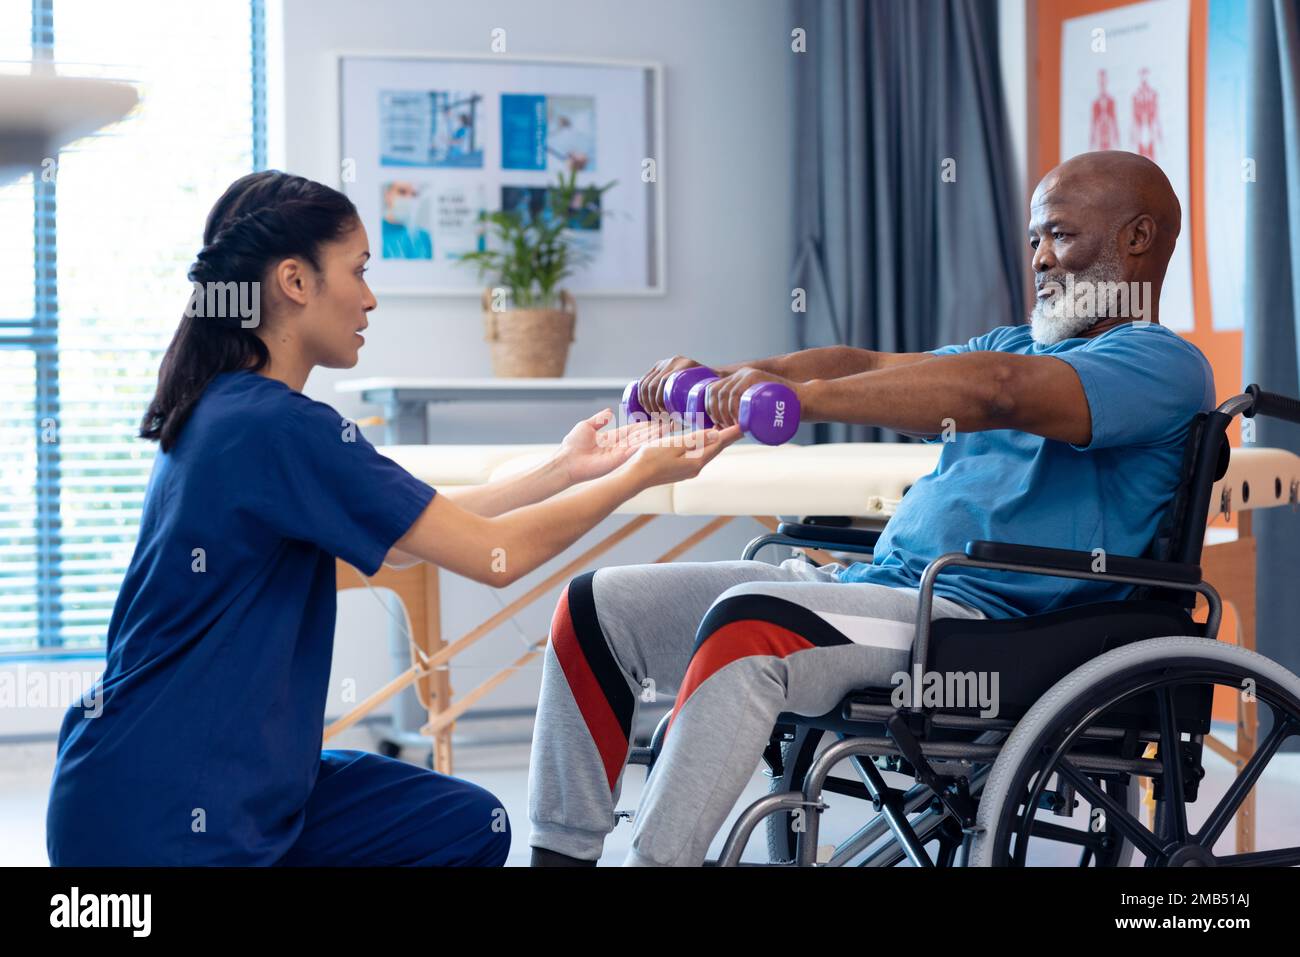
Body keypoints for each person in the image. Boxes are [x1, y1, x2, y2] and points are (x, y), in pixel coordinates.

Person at [526, 149, 1217, 867]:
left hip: (984, 628)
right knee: (595, 608)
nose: (1039, 259)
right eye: (1034, 240)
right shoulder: (1007, 343)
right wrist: (735, 377)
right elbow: (870, 366)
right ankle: (560, 855)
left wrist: (803, 403)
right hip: (880, 591)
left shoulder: (1160, 364)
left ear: (1136, 238)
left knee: (751, 628)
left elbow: (999, 392)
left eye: (1061, 236)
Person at [45, 170, 737, 866]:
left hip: (194, 785)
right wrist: (636, 475)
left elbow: (413, 534)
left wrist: (567, 467)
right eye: (358, 270)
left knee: (464, 823)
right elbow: (497, 554)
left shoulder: (231, 408)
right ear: (294, 280)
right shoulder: (273, 426)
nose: (370, 298)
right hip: (160, 813)